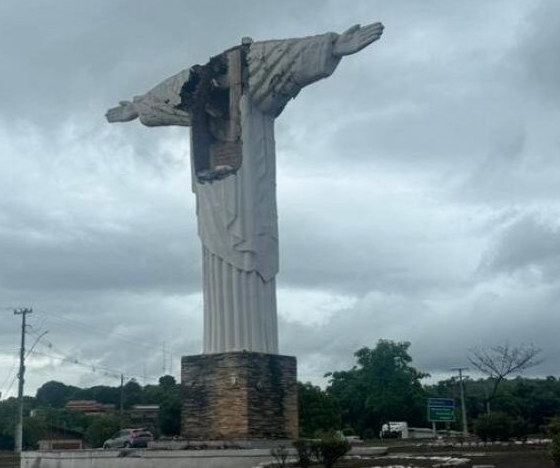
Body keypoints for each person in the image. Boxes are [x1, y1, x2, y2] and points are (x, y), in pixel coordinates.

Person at [107, 23, 383, 354]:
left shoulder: (250, 70)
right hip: (213, 196)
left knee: (251, 258)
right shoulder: (198, 90)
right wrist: (138, 108)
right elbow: (171, 96)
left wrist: (332, 46)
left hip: (250, 190)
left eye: (218, 86)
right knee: (221, 264)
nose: (212, 99)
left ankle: (250, 357)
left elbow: (285, 59)